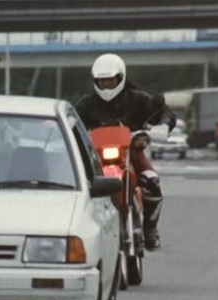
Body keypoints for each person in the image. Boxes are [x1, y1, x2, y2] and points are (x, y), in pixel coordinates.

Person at [75, 53, 176, 251]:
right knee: (80, 189)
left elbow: (165, 112)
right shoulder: (87, 104)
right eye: (101, 81)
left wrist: (163, 125)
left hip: (133, 154)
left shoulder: (137, 99)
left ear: (120, 78)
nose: (106, 85)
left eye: (110, 80)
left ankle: (149, 229)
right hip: (97, 160)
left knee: (152, 182)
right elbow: (74, 123)